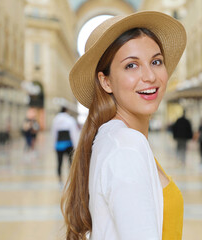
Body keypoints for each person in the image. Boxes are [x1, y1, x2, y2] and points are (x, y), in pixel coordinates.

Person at [61, 11, 186, 240]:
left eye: (156, 62)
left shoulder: (114, 137)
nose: (149, 76)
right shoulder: (127, 146)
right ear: (105, 81)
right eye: (131, 66)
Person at [51, 107, 80, 182]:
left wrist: (53, 144)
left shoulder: (55, 119)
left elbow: (54, 133)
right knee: (70, 162)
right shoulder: (70, 119)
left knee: (59, 162)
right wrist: (75, 145)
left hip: (59, 144)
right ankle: (70, 178)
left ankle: (60, 179)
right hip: (68, 144)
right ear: (66, 111)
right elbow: (73, 133)